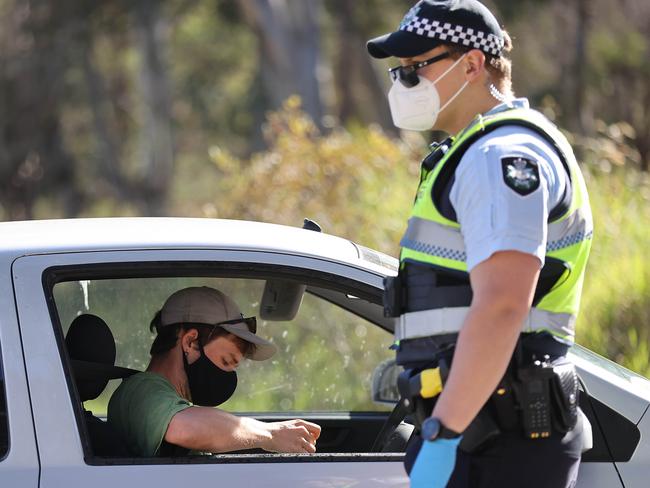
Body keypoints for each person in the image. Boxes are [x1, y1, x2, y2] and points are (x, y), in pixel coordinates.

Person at [366, 1, 593, 487]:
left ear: (471, 64)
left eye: (414, 69)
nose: (403, 84)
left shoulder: (499, 157)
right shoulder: (479, 150)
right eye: (398, 71)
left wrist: (445, 434)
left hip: (495, 441)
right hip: (482, 429)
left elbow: (504, 306)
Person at [108, 286, 321, 457]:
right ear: (190, 342)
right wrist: (270, 434)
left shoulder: (171, 400)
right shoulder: (142, 390)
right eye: (226, 361)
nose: (228, 375)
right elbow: (184, 428)